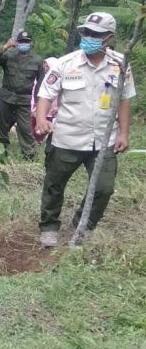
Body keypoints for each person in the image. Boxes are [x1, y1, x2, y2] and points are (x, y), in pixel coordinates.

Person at [35, 12, 135, 247]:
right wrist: (41, 118)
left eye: (95, 34)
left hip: (104, 141)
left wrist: (123, 133)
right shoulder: (65, 64)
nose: (88, 37)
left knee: (104, 188)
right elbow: (45, 94)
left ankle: (83, 225)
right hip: (66, 139)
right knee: (54, 185)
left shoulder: (121, 65)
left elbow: (124, 99)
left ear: (109, 38)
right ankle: (49, 227)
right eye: (86, 32)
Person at [0, 31, 45, 160]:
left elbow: (40, 84)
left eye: (26, 42)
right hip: (6, 96)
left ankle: (29, 154)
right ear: (17, 43)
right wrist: (5, 47)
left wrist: (37, 102)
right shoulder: (9, 55)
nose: (24, 44)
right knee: (1, 125)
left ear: (31, 43)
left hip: (24, 99)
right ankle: (0, 151)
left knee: (25, 127)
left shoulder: (37, 60)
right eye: (21, 42)